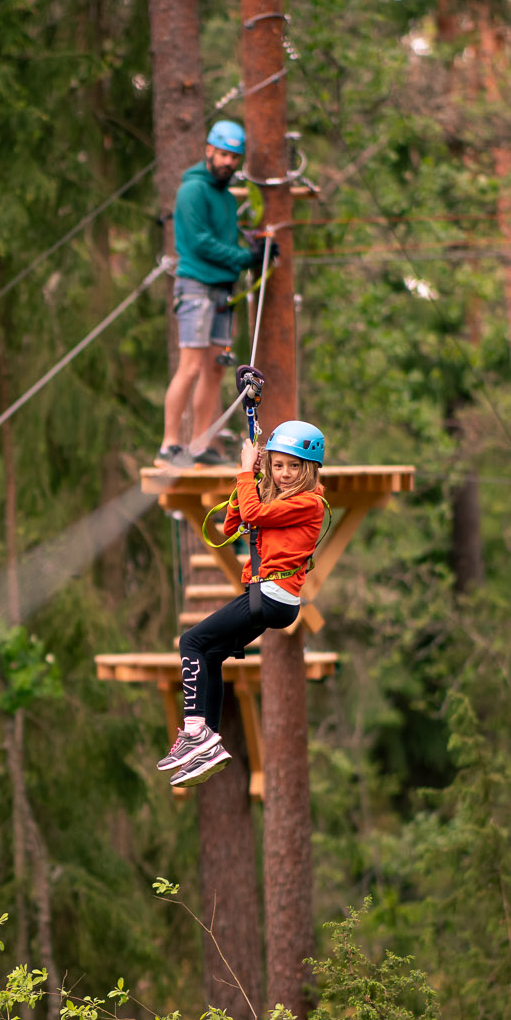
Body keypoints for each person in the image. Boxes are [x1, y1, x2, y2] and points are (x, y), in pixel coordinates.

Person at [159, 419, 328, 788]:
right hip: (265, 596)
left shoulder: (310, 502)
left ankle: (194, 732)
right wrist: (249, 479)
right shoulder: (275, 498)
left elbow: (254, 516)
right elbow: (236, 525)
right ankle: (208, 743)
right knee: (211, 654)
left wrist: (242, 473)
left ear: (310, 469)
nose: (284, 474)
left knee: (191, 642)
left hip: (272, 596)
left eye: (293, 466)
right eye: (278, 465)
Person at [160, 120, 273, 466]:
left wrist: (258, 248)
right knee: (191, 366)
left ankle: (198, 444)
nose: (228, 162)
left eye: (234, 157)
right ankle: (169, 444)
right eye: (223, 154)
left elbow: (224, 240)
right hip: (196, 285)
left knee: (214, 369)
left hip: (223, 290)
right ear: (209, 150)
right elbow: (199, 242)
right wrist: (244, 257)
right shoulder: (192, 190)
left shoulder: (224, 197)